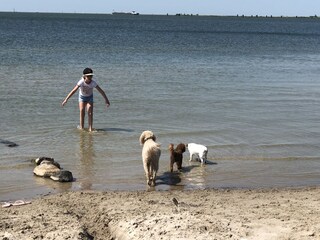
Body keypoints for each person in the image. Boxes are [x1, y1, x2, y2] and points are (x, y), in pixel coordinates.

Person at [62, 67, 110, 132]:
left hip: (90, 97)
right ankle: (82, 127)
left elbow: (101, 91)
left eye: (91, 76)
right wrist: (66, 99)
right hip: (82, 97)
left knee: (90, 111)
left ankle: (90, 128)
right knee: (82, 110)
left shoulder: (93, 83)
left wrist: (106, 100)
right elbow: (73, 91)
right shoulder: (81, 82)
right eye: (88, 76)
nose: (90, 78)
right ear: (84, 76)